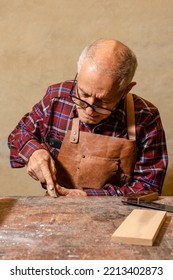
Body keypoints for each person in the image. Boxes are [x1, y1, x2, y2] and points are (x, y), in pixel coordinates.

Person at [8, 39, 168, 197]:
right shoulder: (56, 98)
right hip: (57, 206)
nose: (89, 109)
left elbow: (148, 187)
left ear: (126, 90)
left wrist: (90, 197)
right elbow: (19, 133)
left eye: (103, 101)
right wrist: (33, 151)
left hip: (119, 214)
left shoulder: (145, 116)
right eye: (83, 94)